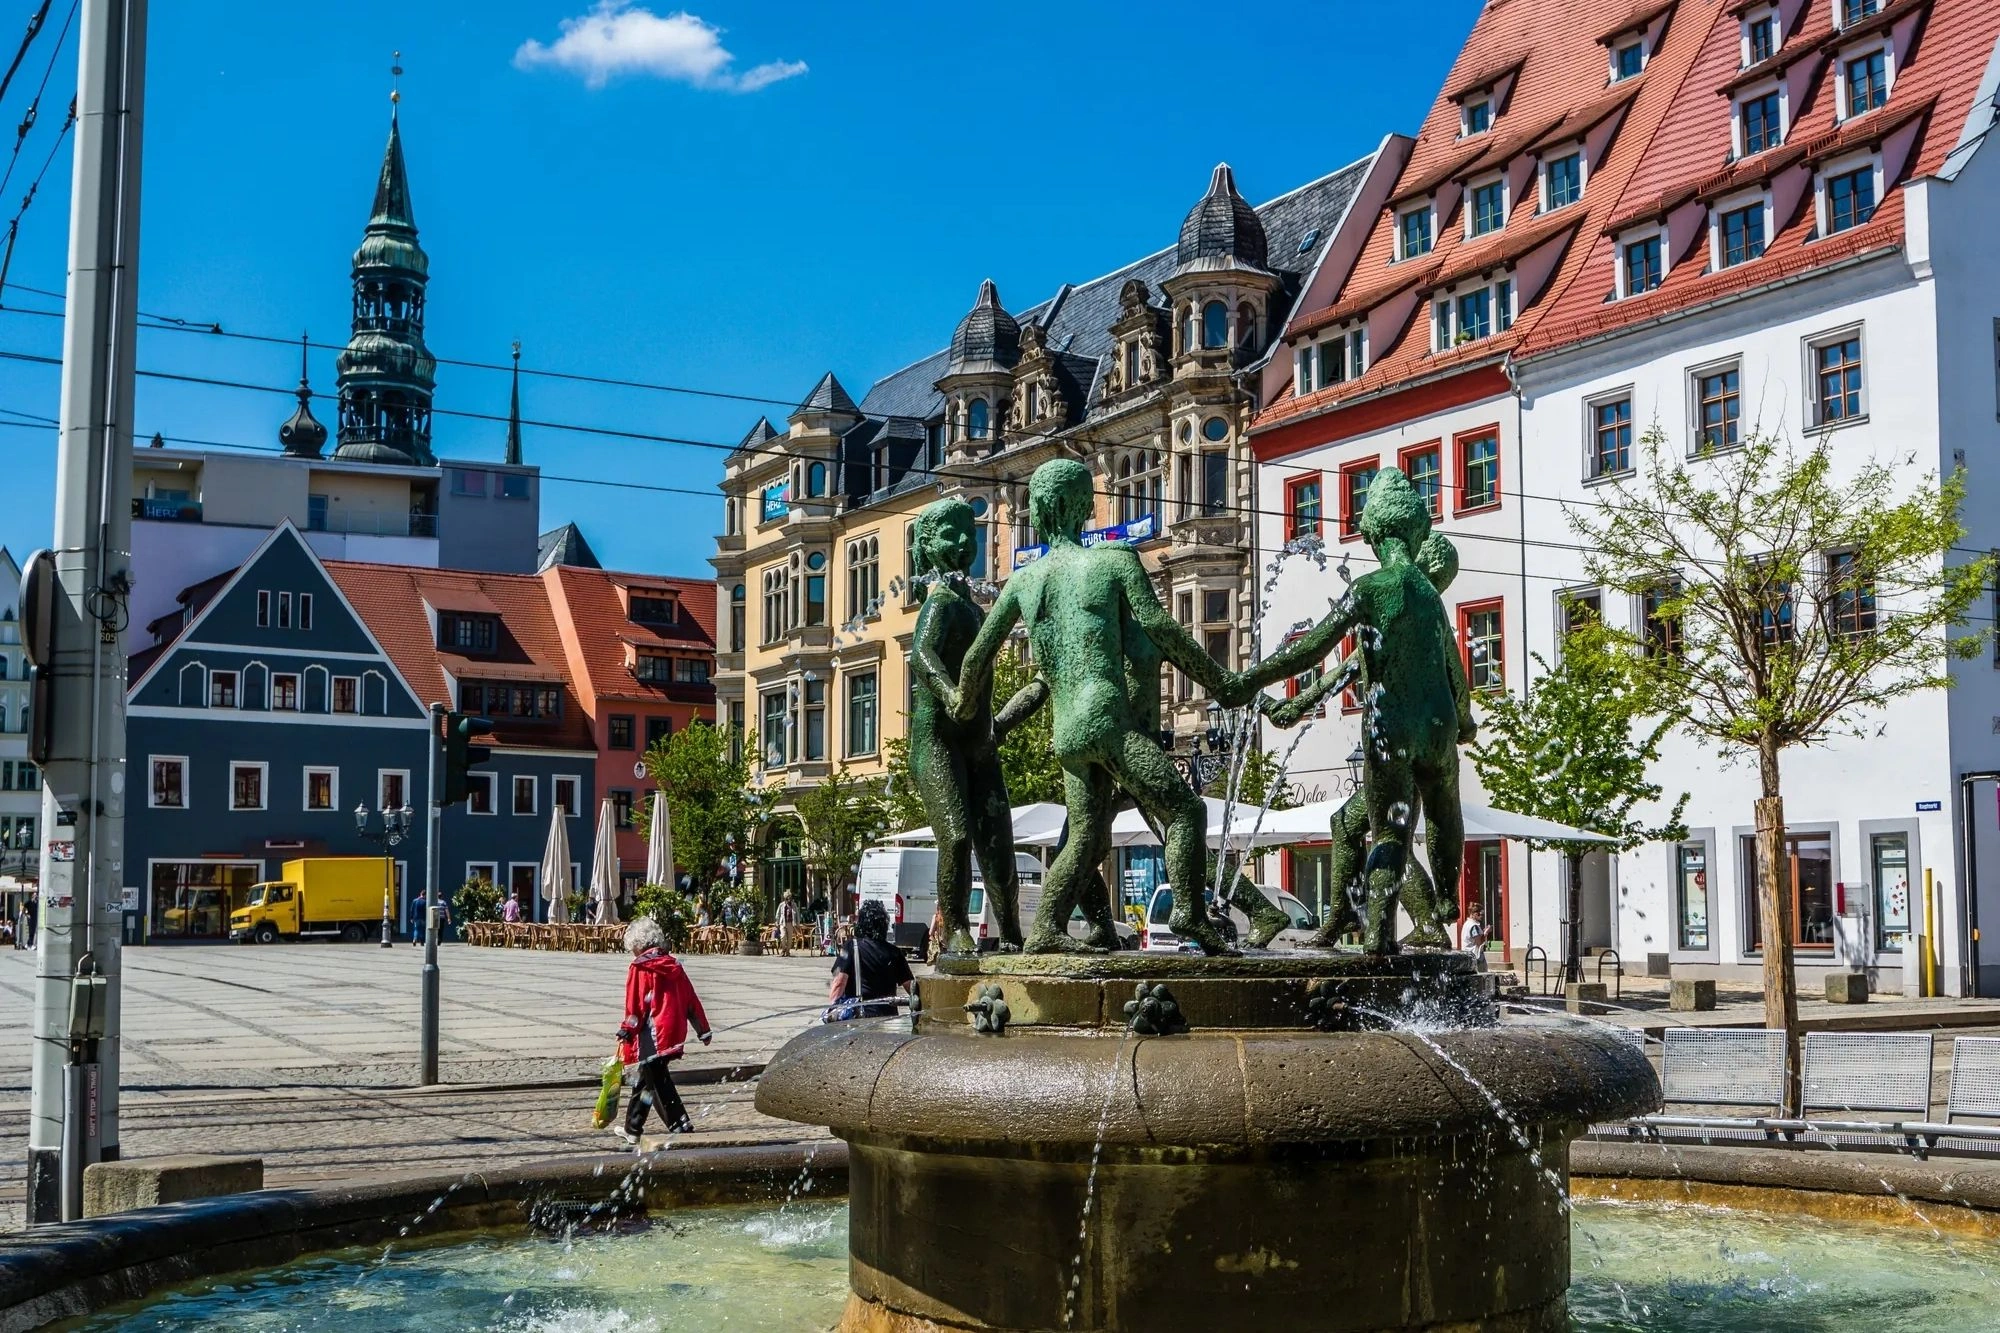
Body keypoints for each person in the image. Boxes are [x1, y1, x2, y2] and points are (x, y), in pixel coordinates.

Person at [951, 460, 1273, 955]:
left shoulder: (1022, 581)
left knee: (1085, 838)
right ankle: (1189, 913)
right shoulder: (1115, 560)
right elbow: (1161, 630)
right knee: (1185, 811)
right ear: (1084, 507)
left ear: (1039, 511)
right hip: (1108, 719)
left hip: (1068, 733)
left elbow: (976, 658)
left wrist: (964, 709)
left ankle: (1048, 929)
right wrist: (1222, 681)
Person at [615, 916, 712, 1147]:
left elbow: (636, 1005)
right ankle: (633, 1128)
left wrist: (627, 1029)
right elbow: (691, 1000)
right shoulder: (674, 965)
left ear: (638, 944)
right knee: (646, 1081)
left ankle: (680, 1124)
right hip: (674, 1032)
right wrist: (703, 1030)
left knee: (657, 1082)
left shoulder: (640, 967)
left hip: (654, 1035)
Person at [829, 901, 912, 1020]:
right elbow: (910, 986)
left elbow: (839, 982)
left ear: (861, 923)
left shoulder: (851, 947)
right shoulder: (894, 952)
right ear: (884, 924)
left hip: (860, 1016)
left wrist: (832, 1011)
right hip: (889, 1017)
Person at [1459, 900, 1487, 970]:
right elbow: (1479, 943)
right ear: (1474, 913)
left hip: (1467, 955)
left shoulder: (1467, 924)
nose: (1481, 916)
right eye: (1480, 914)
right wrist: (1486, 933)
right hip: (1475, 956)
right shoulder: (1474, 926)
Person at [777, 890, 798, 957]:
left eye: (790, 898)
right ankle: (783, 950)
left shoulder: (794, 905)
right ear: (785, 898)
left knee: (789, 939)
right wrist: (777, 922)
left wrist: (797, 923)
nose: (789, 900)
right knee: (783, 937)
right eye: (787, 898)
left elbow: (797, 914)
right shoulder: (781, 905)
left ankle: (787, 951)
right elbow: (778, 914)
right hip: (783, 923)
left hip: (790, 923)